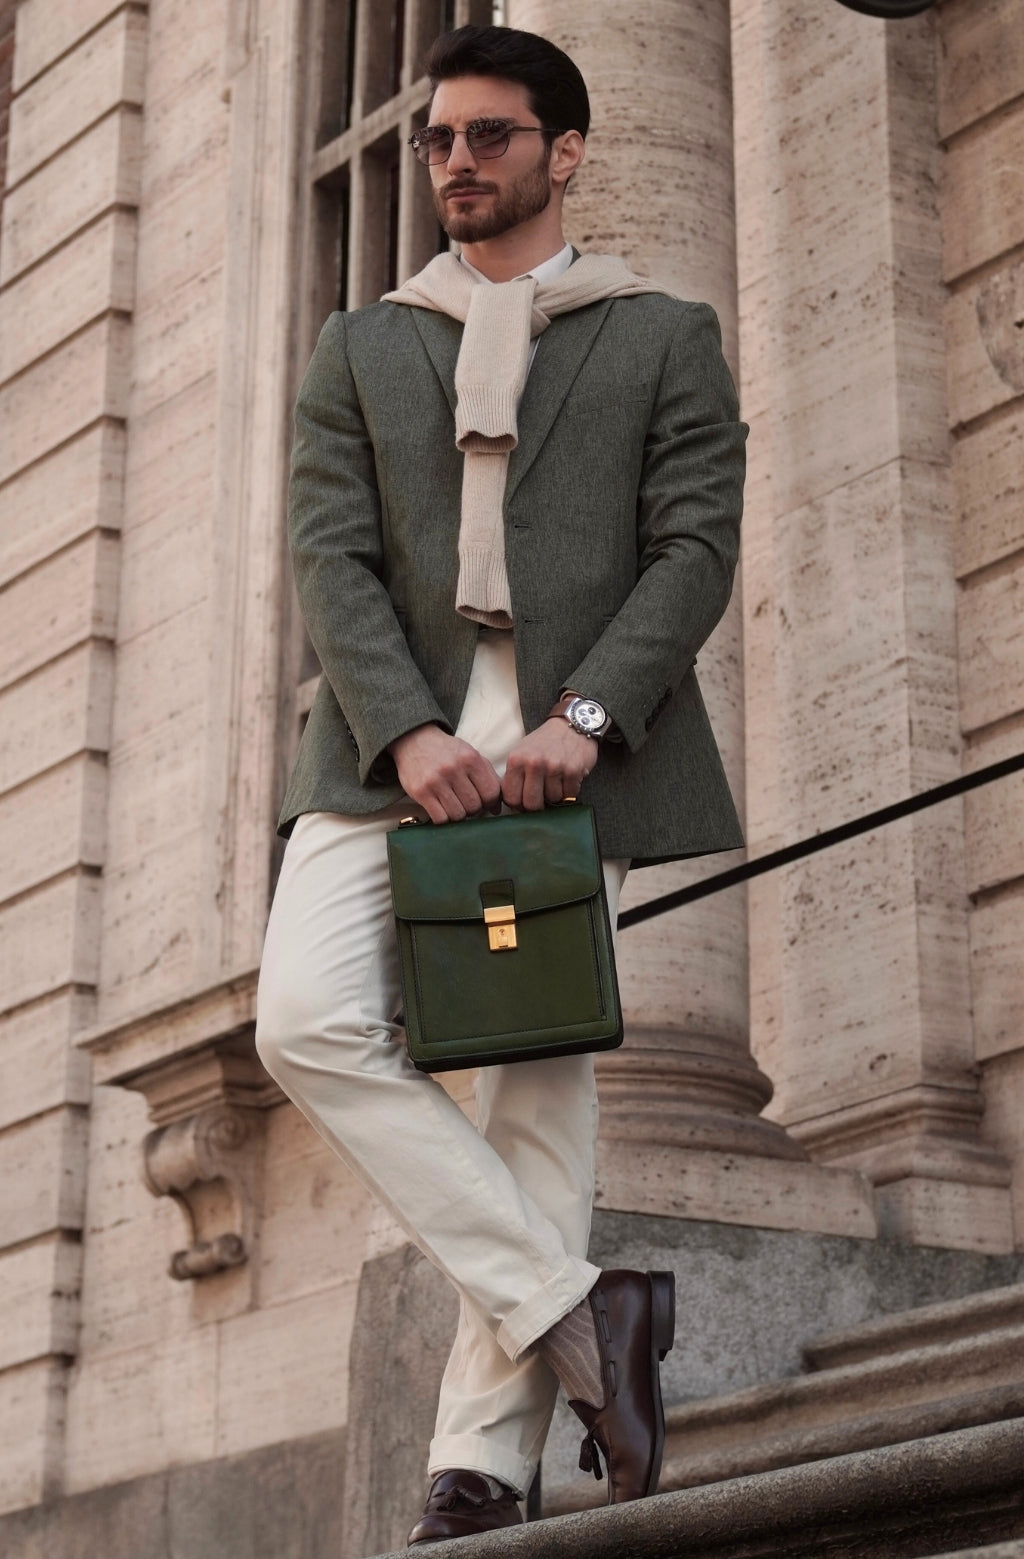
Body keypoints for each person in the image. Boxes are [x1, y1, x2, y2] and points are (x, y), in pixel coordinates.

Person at [255, 22, 745, 1546]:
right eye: (438, 139)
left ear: (565, 151)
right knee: (305, 1018)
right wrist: (407, 731)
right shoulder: (363, 345)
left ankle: (477, 1463)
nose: (454, 162)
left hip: (568, 744)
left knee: (534, 1076)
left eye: (488, 135)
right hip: (389, 744)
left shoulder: (661, 333)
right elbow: (328, 558)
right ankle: (581, 1308)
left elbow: (695, 548)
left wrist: (585, 714)